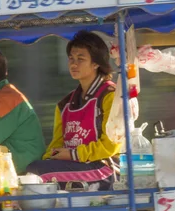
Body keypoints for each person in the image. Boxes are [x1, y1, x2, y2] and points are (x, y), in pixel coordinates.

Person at [26, 31, 120, 190]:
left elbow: (111, 147)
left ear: (96, 63)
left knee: (40, 175)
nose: (73, 64)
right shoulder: (64, 105)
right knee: (32, 171)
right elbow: (57, 143)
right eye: (71, 58)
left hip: (105, 169)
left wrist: (73, 154)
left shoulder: (110, 95)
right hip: (75, 166)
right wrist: (52, 156)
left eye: (81, 59)